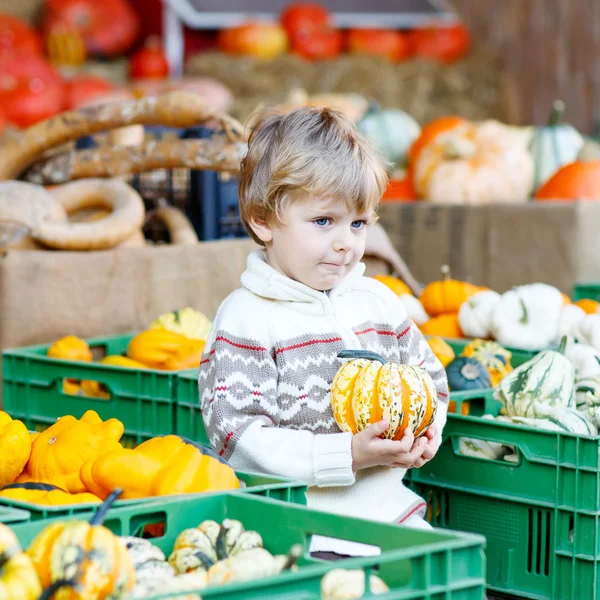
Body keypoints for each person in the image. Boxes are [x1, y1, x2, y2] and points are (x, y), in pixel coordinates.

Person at [199, 106, 449, 559]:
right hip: (300, 533)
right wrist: (347, 454)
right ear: (262, 220)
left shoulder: (379, 302)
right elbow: (238, 438)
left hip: (395, 519)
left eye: (357, 224)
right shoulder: (247, 319)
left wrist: (426, 431)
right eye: (323, 222)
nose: (345, 242)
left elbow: (430, 382)